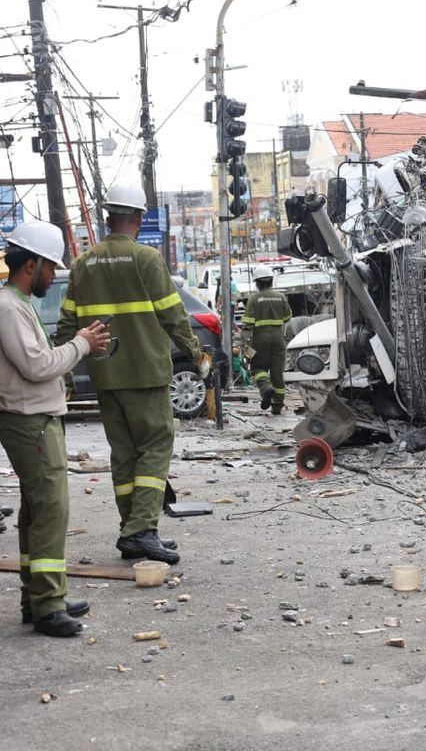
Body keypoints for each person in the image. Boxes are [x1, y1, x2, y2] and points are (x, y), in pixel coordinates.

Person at [55, 182, 210, 566]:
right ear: (138, 217)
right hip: (147, 374)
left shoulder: (83, 264)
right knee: (155, 449)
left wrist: (65, 371)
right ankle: (141, 530)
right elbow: (173, 315)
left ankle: (132, 531)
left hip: (106, 376)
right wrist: (196, 353)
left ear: (109, 217)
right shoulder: (147, 259)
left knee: (123, 456)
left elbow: (66, 324)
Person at [0, 222, 109, 636]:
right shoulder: (9, 307)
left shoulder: (17, 303)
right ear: (32, 264)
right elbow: (36, 366)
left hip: (34, 418)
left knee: (36, 512)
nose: (52, 275)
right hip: (29, 421)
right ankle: (47, 606)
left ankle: (40, 599)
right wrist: (81, 343)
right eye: (49, 268)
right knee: (50, 511)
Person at [242, 265, 292, 415]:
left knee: (257, 368)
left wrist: (244, 345)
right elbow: (287, 317)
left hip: (260, 338)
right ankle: (277, 406)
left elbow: (248, 322)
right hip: (278, 337)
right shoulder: (281, 297)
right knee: (277, 373)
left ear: (257, 283)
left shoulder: (254, 298)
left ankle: (265, 388)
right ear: (271, 280)